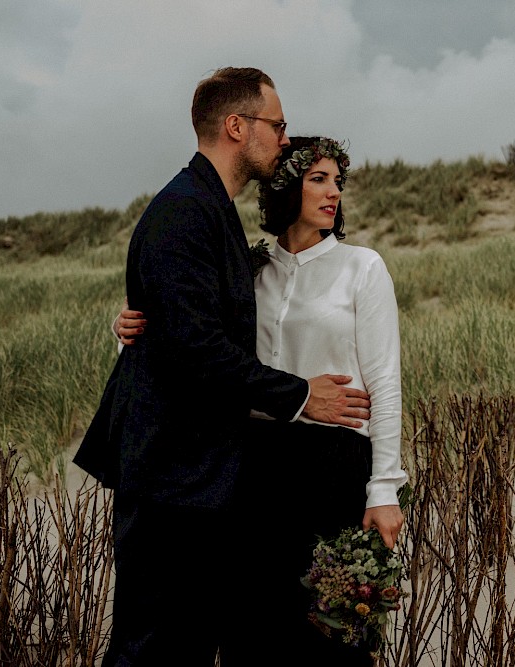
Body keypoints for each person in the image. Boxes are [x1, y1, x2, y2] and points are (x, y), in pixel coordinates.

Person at [73, 69, 374, 667]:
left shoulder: (209, 209)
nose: (285, 140)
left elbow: (183, 327)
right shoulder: (183, 212)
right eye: (278, 125)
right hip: (171, 482)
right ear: (238, 127)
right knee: (152, 650)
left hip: (201, 482)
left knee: (184, 645)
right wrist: (300, 395)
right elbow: (196, 349)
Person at [113, 135, 408, 665]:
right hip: (252, 466)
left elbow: (386, 384)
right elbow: (194, 339)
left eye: (338, 181)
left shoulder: (363, 268)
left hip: (334, 466)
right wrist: (129, 329)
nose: (333, 192)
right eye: (318, 178)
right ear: (286, 186)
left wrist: (384, 487)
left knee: (332, 629)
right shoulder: (250, 270)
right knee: (253, 628)